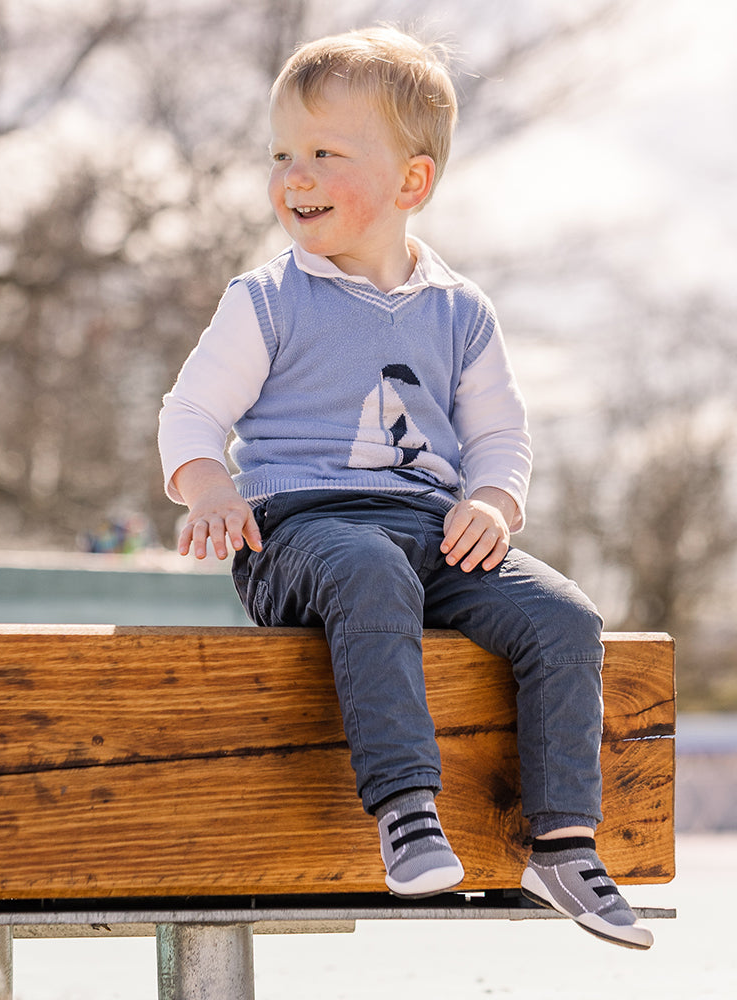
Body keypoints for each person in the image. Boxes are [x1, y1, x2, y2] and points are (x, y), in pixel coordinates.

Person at [157, 26, 652, 951]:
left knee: (566, 618)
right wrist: (210, 488)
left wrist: (493, 504)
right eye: (281, 155)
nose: (292, 177)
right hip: (297, 534)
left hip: (428, 529)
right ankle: (405, 809)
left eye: (323, 155)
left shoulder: (461, 311)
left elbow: (501, 436)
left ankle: (562, 842)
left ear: (411, 184)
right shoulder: (267, 300)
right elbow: (187, 414)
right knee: (366, 566)